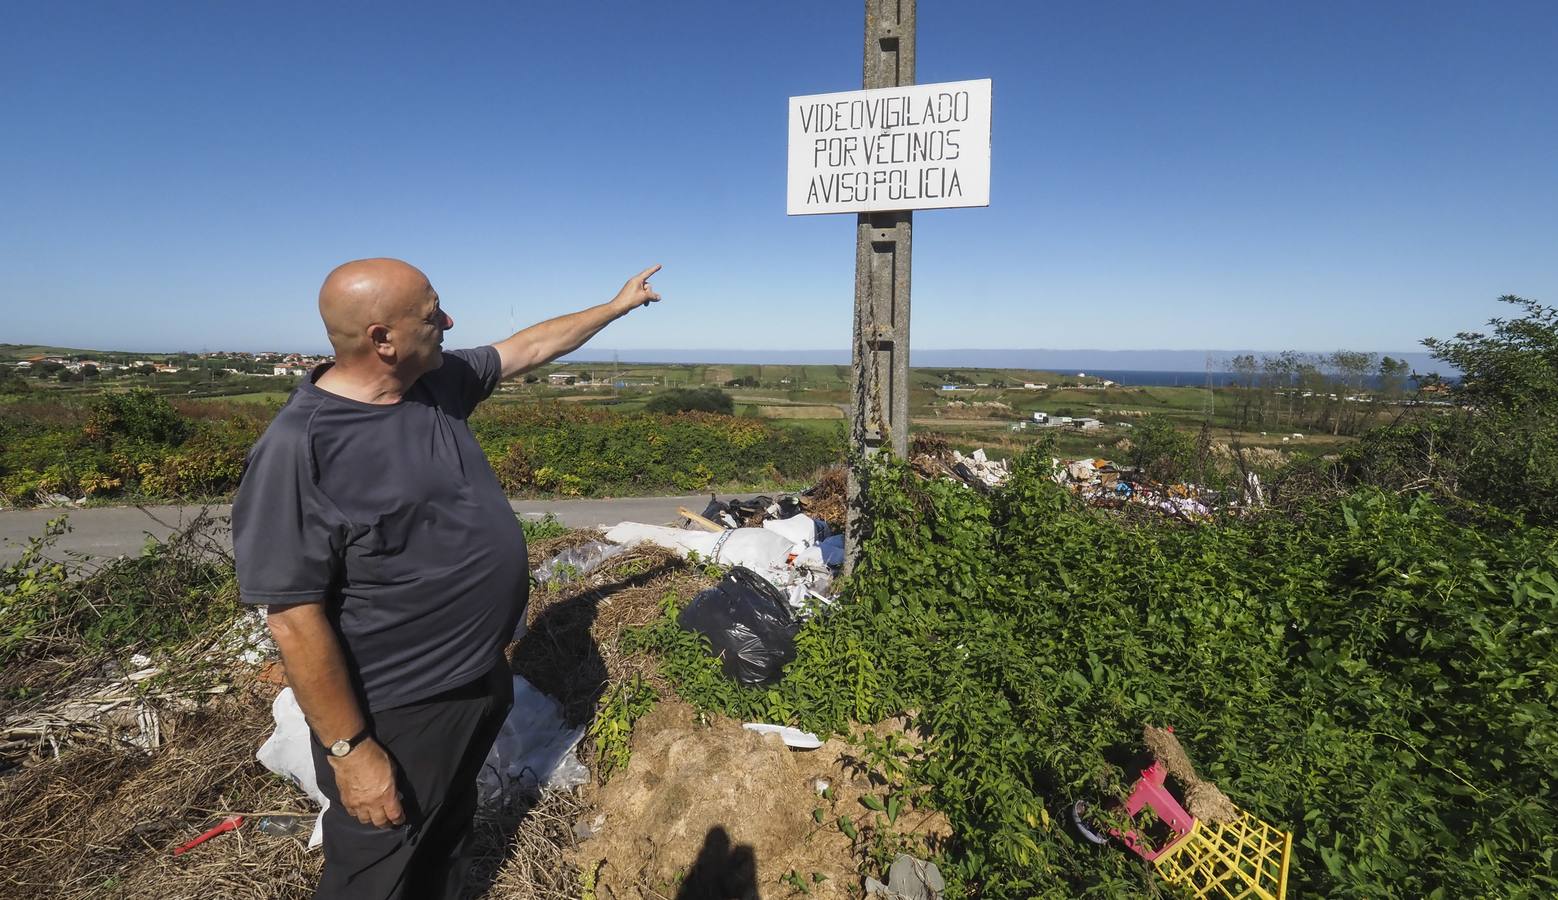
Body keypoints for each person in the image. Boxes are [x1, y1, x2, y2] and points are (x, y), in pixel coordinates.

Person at [232, 258, 662, 899]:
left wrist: (616, 305)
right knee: (376, 874)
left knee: (446, 845)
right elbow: (294, 618)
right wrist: (352, 753)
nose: (451, 323)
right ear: (383, 339)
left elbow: (532, 345)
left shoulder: (435, 381)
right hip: (398, 709)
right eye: (433, 315)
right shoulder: (302, 448)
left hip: (475, 677)